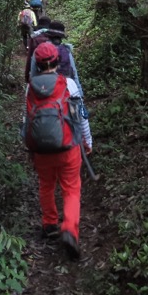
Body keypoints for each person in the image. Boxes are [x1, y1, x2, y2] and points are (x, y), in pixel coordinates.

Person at [25, 42, 93, 259]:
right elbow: (81, 113)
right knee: (71, 188)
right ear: (57, 61)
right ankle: (70, 229)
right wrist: (87, 140)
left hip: (41, 150)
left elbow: (28, 119)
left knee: (46, 184)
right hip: (68, 147)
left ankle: (49, 224)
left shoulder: (30, 87)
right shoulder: (69, 84)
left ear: (37, 63)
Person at [28, 20, 85, 99]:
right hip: (66, 89)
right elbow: (74, 73)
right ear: (61, 38)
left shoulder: (39, 51)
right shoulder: (66, 50)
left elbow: (33, 74)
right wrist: (80, 93)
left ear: (48, 36)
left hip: (44, 89)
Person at [24, 16, 52, 82]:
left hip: (37, 71)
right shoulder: (52, 37)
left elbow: (29, 57)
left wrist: (27, 75)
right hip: (52, 73)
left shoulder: (34, 38)